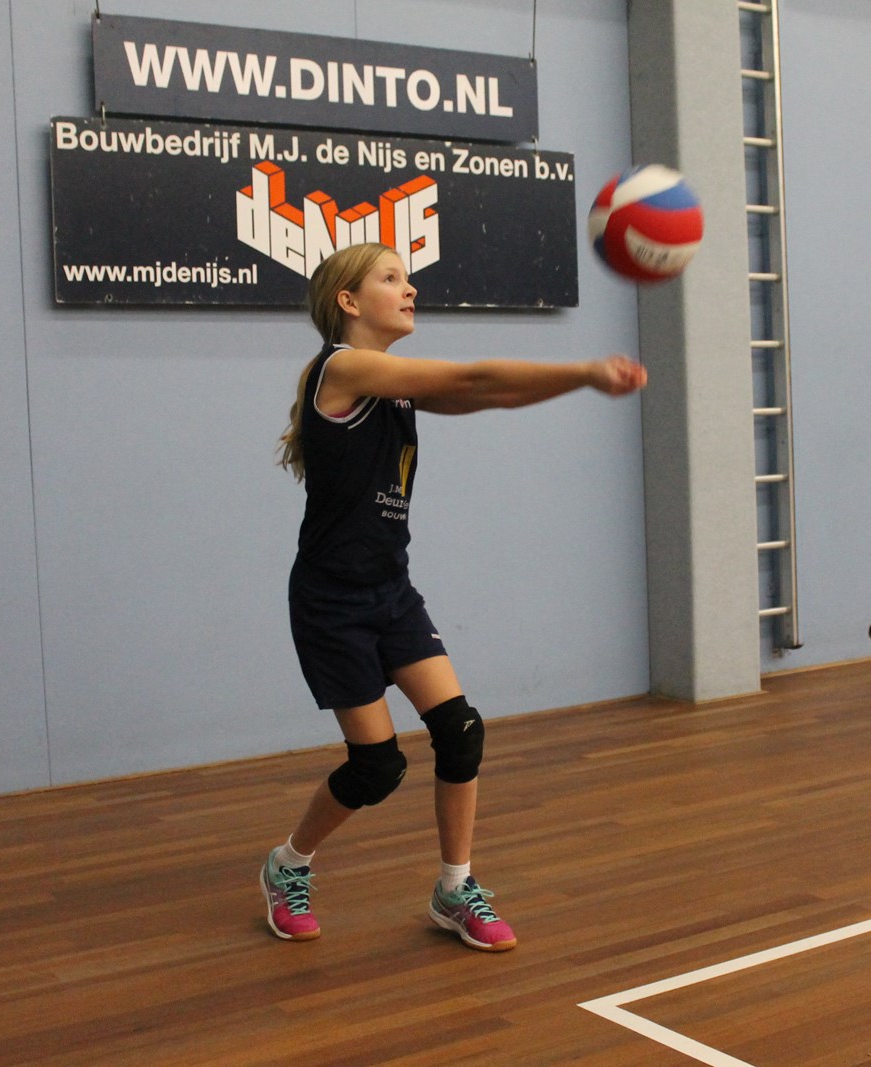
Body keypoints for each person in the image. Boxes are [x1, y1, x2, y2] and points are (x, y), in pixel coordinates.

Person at [262, 241, 648, 952]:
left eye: (408, 278)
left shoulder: (395, 388)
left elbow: (487, 393)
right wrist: (585, 370)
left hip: (390, 590)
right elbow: (473, 375)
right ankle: (288, 864)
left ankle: (453, 887)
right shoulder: (343, 368)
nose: (410, 289)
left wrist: (581, 386)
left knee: (461, 731)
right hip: (332, 602)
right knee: (377, 767)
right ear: (348, 301)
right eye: (391, 278)